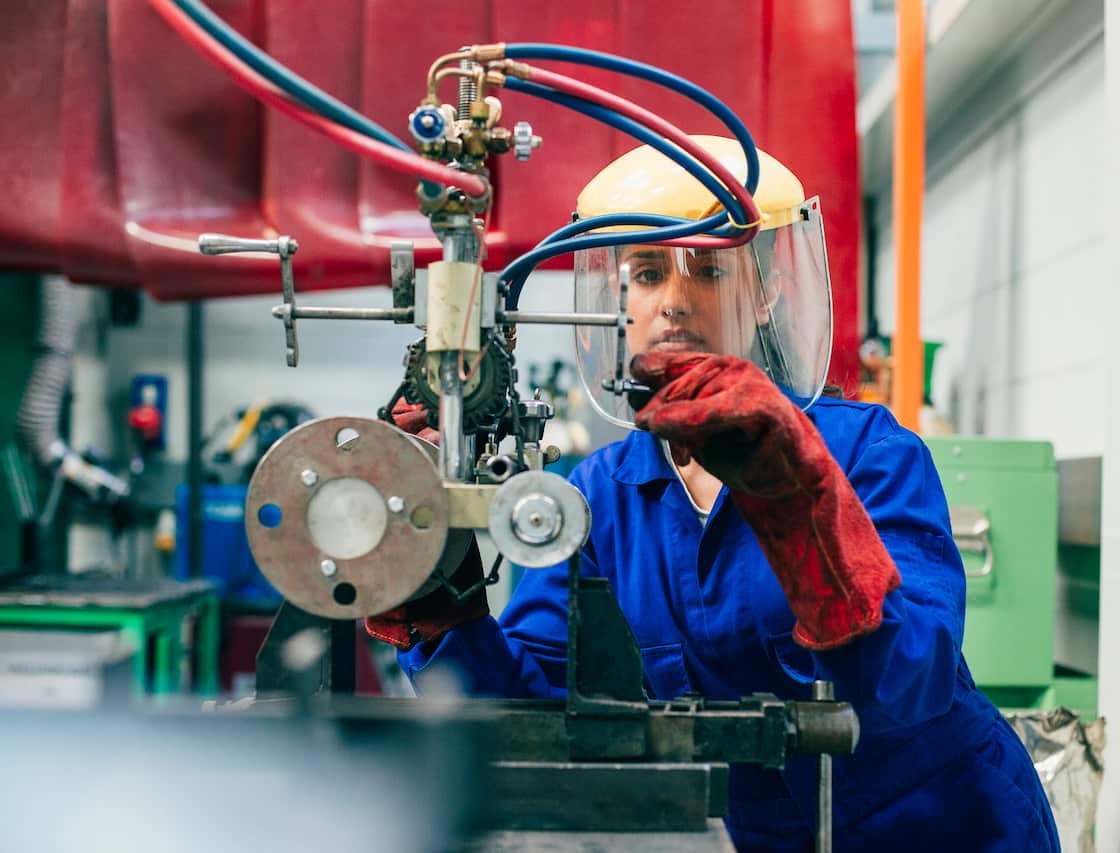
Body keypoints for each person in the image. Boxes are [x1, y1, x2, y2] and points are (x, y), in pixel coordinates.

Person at [367, 137, 1059, 852]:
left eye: (706, 268)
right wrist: (433, 593)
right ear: (617, 304)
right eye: (646, 272)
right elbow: (534, 713)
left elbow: (912, 676)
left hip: (940, 828)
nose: (673, 301)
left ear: (763, 295)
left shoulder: (867, 453)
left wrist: (796, 495)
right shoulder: (598, 499)